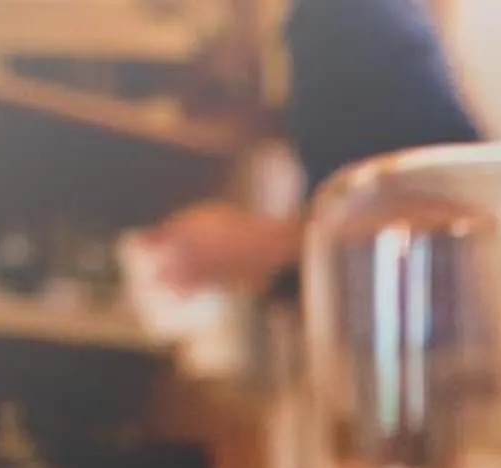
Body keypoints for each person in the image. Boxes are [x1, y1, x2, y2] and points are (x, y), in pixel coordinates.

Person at [137, 0, 480, 295]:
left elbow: (445, 210)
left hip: (415, 351)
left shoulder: (348, 14)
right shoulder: (330, 21)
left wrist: (259, 244)